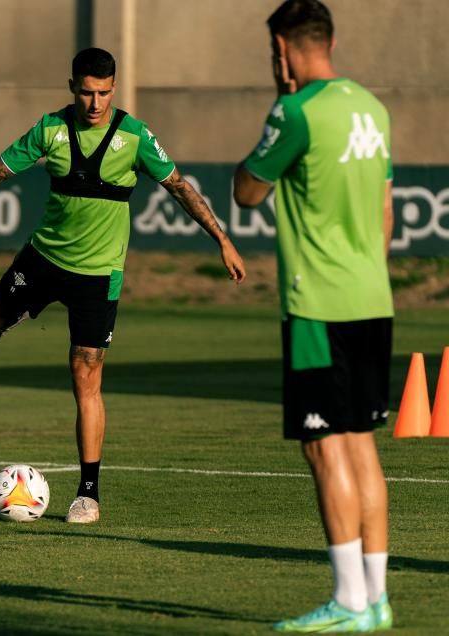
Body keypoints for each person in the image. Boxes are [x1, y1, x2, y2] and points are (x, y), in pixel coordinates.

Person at [0, 47, 246, 524]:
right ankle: (7, 317)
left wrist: (222, 240)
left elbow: (180, 186)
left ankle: (88, 494)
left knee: (86, 379)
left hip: (98, 275)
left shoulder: (136, 136)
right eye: (86, 91)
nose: (95, 102)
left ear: (113, 89)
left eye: (103, 93)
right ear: (72, 87)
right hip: (43, 258)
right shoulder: (50, 129)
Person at [232, 1, 394, 632]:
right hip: (371, 298)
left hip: (316, 307)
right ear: (331, 39)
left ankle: (350, 601)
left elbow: (248, 192)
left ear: (282, 49)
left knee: (324, 447)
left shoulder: (294, 112)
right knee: (362, 448)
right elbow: (384, 213)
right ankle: (375, 599)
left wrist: (275, 112)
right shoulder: (372, 108)